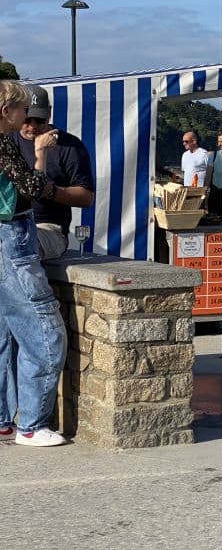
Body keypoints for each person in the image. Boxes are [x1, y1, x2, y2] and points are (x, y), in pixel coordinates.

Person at [0, 80, 68, 447]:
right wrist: (40, 156)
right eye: (23, 108)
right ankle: (31, 424)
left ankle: (3, 419)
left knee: (2, 331)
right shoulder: (3, 145)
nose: (28, 116)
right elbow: (31, 186)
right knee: (44, 330)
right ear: (6, 111)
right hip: (10, 236)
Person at [14, 85, 95, 260]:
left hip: (50, 228)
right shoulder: (7, 141)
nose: (32, 126)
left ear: (49, 113)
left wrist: (50, 191)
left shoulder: (70, 146)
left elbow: (86, 197)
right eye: (27, 120)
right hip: (10, 224)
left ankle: (41, 287)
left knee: (22, 246)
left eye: (39, 120)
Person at [205, 132, 222, 218]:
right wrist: (205, 196)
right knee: (215, 220)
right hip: (216, 194)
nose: (219, 144)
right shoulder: (213, 156)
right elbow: (208, 177)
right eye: (218, 141)